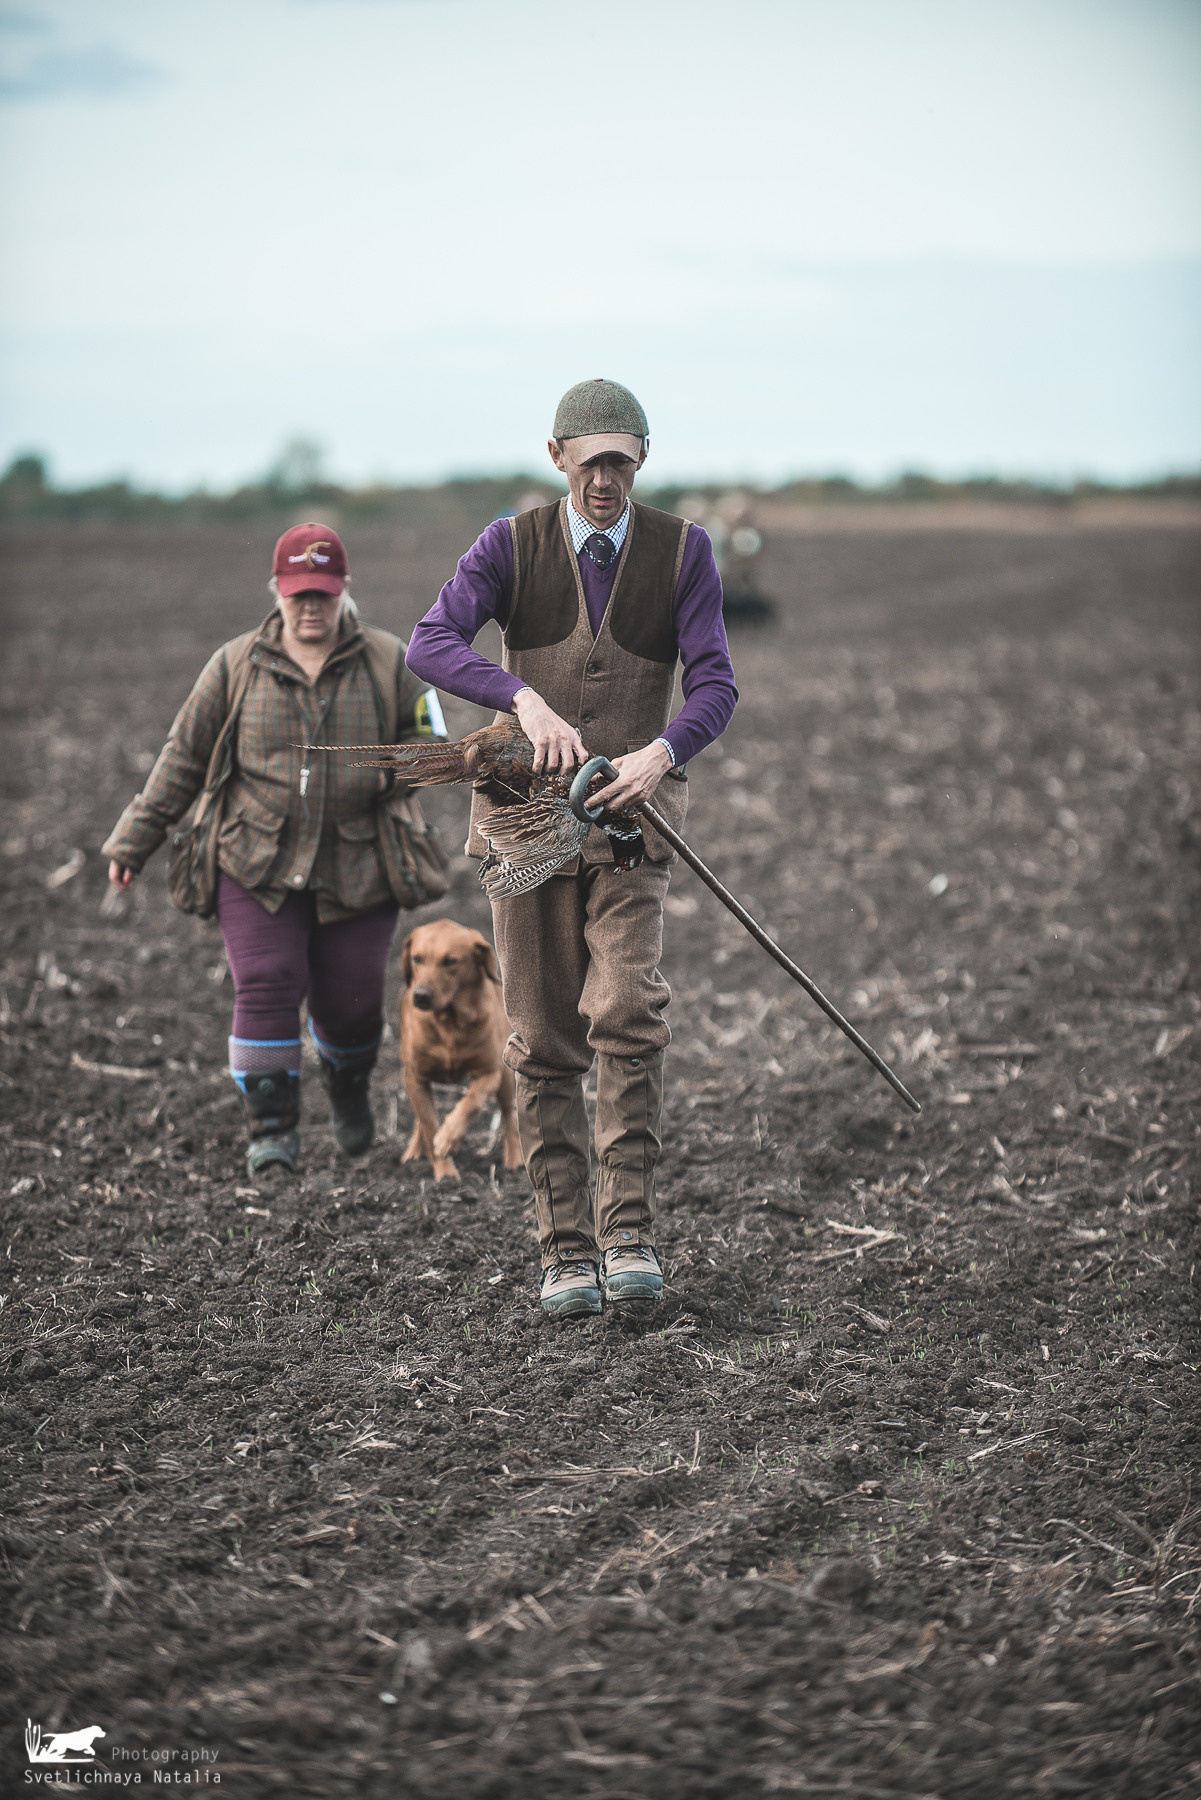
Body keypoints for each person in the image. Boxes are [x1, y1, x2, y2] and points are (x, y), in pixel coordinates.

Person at [405, 378, 738, 1316]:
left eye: (620, 461)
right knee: (543, 1038)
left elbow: (714, 683)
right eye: (589, 460)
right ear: (557, 457)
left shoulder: (684, 553)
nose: (604, 478)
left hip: (633, 826)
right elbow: (430, 643)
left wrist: (663, 751)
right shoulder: (507, 547)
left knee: (628, 1009)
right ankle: (564, 1252)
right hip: (520, 827)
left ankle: (628, 1234)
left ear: (640, 462)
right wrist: (519, 696)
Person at [102, 522, 449, 1177]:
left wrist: (387, 771)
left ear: (344, 590)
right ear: (277, 592)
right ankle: (272, 1131)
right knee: (264, 983)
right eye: (297, 594)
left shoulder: (391, 660)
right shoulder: (235, 664)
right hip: (252, 860)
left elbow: (436, 748)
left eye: (322, 592)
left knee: (349, 1008)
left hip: (360, 864)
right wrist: (135, 838)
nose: (309, 606)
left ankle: (346, 1087)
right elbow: (184, 755)